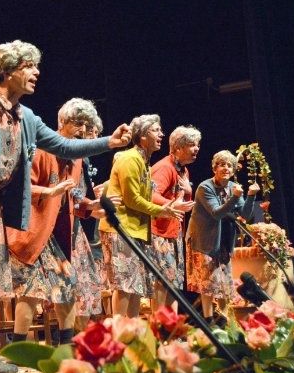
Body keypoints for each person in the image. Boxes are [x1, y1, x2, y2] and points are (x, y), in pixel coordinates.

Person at [0, 40, 131, 373]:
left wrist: (108, 142)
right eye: (28, 66)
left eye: (36, 66)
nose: (36, 72)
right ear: (8, 70)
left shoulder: (26, 117)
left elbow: (65, 146)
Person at [7, 98, 105, 345]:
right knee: (31, 291)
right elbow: (20, 186)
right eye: (77, 124)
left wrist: (90, 208)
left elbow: (73, 196)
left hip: (59, 231)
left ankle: (66, 345)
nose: (82, 130)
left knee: (67, 285)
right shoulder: (42, 149)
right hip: (34, 228)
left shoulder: (78, 157)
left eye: (86, 125)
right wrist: (50, 192)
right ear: (62, 122)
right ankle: (18, 345)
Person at [99, 115, 184, 318]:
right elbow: (131, 199)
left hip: (134, 230)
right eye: (156, 130)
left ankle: (134, 334)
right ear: (143, 136)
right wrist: (161, 210)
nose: (161, 134)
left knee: (135, 286)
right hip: (119, 228)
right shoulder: (130, 158)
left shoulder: (143, 162)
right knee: (124, 285)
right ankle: (119, 337)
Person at [186, 150, 260, 318]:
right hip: (204, 241)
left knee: (225, 284)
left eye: (229, 165)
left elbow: (245, 215)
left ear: (233, 170)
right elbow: (216, 213)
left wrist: (250, 196)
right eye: (222, 165)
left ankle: (226, 321)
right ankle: (208, 319)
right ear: (214, 168)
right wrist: (234, 198)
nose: (226, 168)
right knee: (208, 283)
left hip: (223, 241)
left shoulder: (233, 188)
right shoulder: (205, 187)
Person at [149, 125, 201, 309]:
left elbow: (182, 201)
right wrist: (172, 205)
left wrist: (188, 192)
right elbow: (151, 195)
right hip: (159, 233)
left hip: (173, 232)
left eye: (197, 144)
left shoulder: (183, 171)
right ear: (178, 148)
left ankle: (171, 328)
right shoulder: (164, 167)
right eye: (191, 145)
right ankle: (159, 328)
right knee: (163, 283)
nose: (196, 148)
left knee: (174, 284)